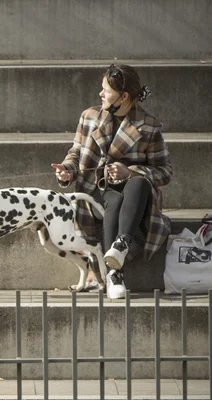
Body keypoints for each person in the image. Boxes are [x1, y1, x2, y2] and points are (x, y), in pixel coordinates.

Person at [51, 64, 172, 299]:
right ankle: (114, 273)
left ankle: (120, 246)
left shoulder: (149, 126)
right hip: (97, 187)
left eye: (106, 90)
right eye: (102, 89)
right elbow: (76, 154)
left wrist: (130, 172)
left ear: (123, 96)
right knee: (113, 201)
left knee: (138, 183)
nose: (101, 94)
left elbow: (165, 171)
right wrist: (67, 170)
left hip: (136, 195)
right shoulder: (90, 117)